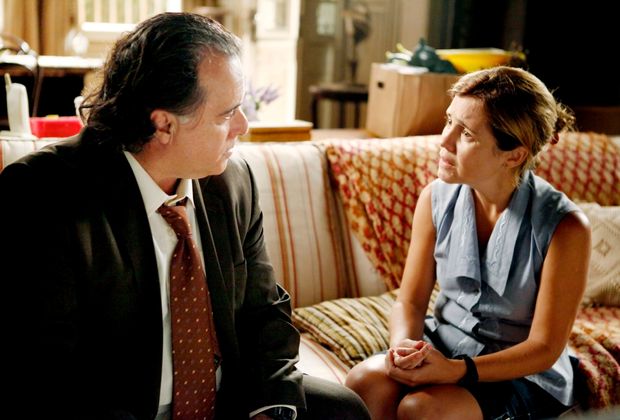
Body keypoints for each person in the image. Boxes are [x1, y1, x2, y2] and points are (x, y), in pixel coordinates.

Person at [0, 13, 371, 420]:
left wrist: (271, 410)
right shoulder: (42, 193)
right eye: (226, 114)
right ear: (163, 124)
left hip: (225, 400)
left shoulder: (232, 180)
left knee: (343, 410)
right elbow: (47, 376)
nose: (243, 126)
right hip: (120, 410)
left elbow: (264, 311)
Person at [345, 66, 591, 420]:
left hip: (522, 371)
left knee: (422, 410)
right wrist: (404, 349)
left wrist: (456, 371)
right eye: (449, 121)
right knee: (364, 384)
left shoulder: (567, 228)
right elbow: (410, 301)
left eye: (466, 134)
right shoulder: (434, 198)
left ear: (513, 155)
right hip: (444, 344)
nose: (443, 141)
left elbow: (544, 348)